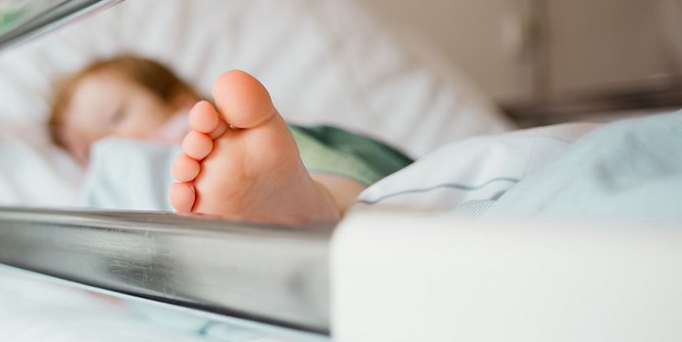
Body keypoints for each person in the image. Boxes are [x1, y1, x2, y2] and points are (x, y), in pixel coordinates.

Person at [48, 55, 411, 223]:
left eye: (117, 117)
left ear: (180, 101)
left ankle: (320, 206)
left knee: (272, 152)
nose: (114, 145)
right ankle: (284, 222)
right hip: (212, 217)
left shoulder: (214, 140)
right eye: (90, 148)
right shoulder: (115, 187)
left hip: (301, 165)